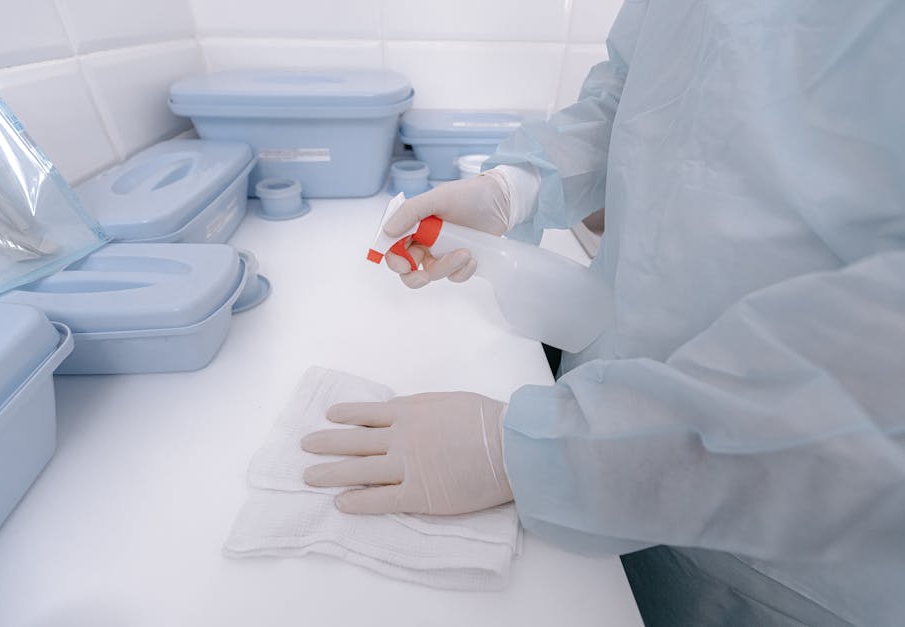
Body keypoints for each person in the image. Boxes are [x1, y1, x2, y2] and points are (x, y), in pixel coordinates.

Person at [300, 1, 905, 624]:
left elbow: (880, 376)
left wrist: (534, 452)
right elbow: (636, 96)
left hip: (795, 537)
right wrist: (516, 187)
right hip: (606, 422)